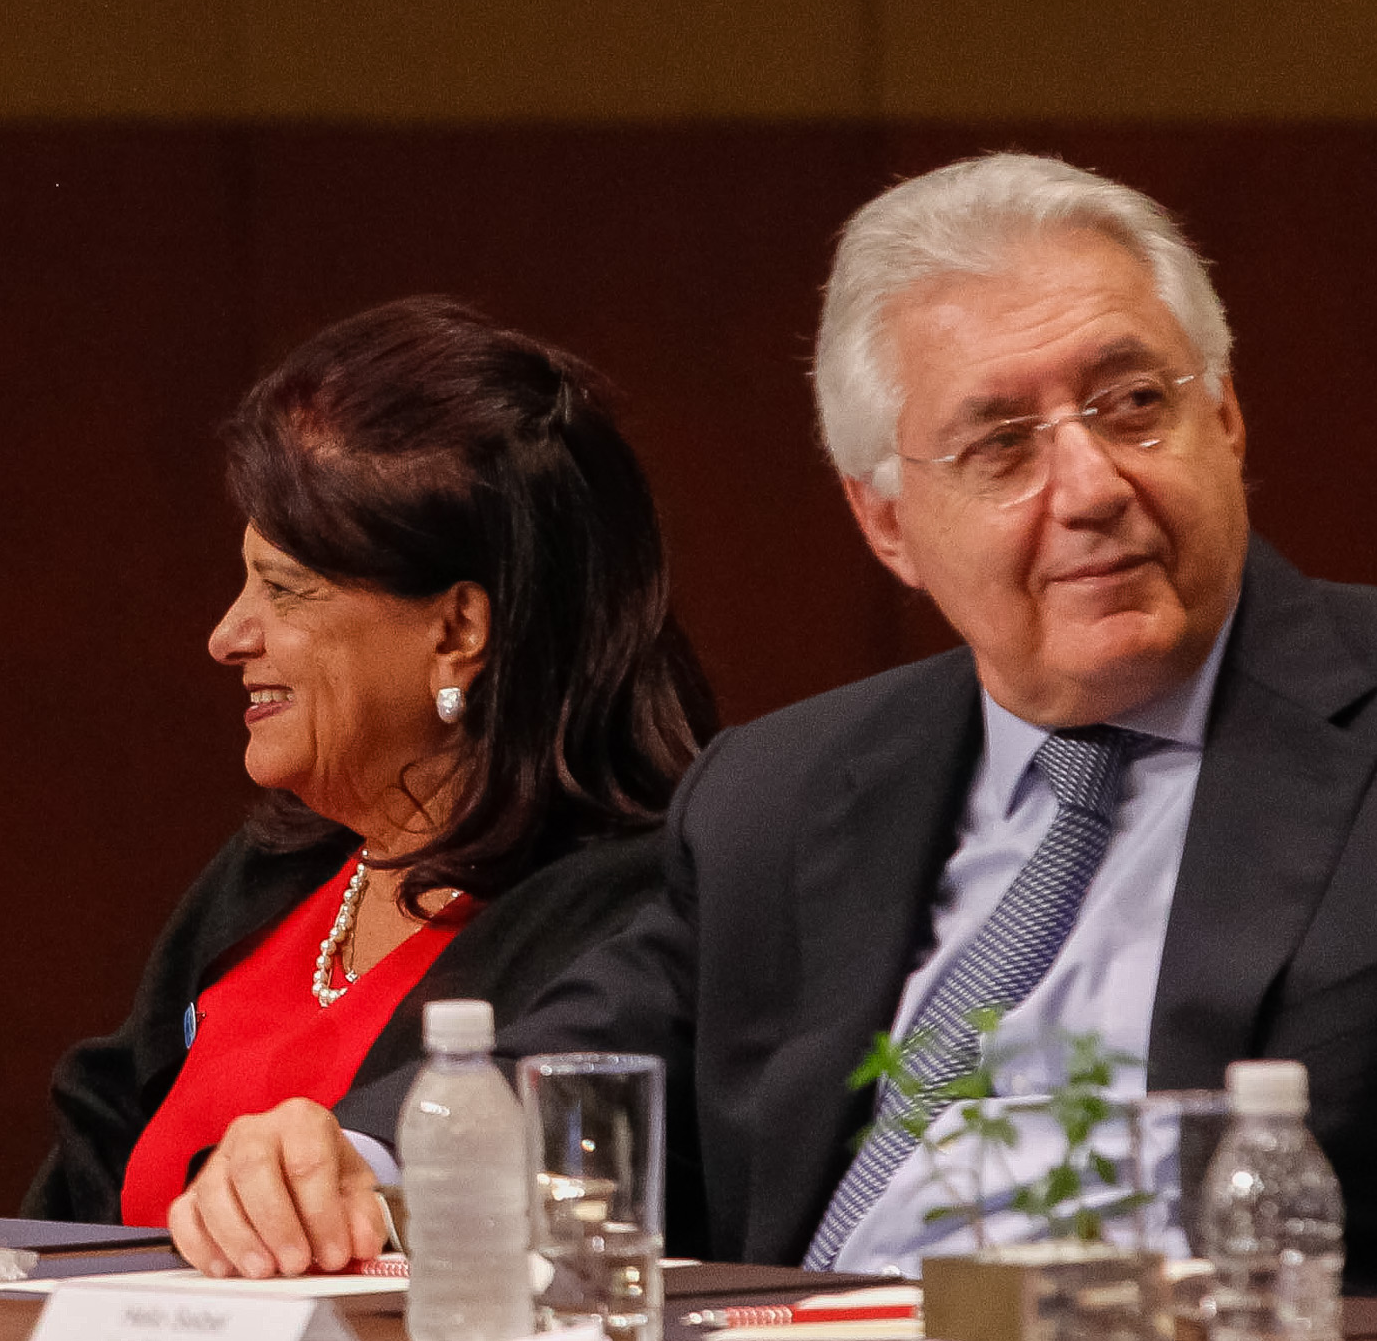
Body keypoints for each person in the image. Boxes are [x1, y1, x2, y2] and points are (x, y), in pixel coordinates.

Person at [178, 152, 1377, 1287]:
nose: (1090, 487)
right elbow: (577, 1066)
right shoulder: (787, 790)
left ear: (1223, 419)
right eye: (999, 445)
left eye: (1129, 405)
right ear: (886, 523)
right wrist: (357, 1163)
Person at [25, 298, 718, 1226]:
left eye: (284, 590)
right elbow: (77, 1191)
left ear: (457, 629)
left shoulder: (629, 914)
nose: (227, 636)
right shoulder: (270, 874)